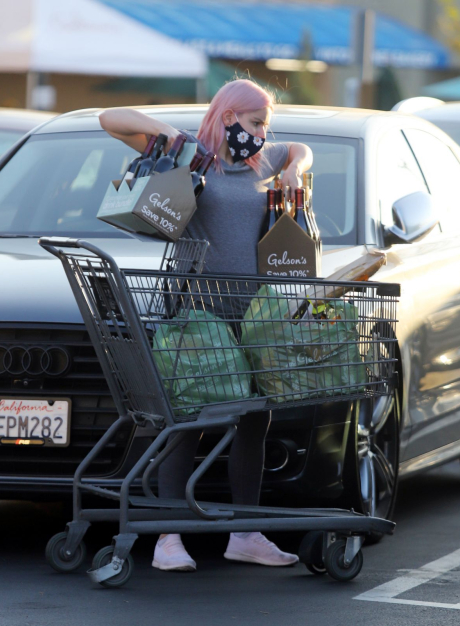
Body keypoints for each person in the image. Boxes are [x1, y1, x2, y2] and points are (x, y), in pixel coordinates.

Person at [99, 79, 313, 573]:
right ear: (229, 116)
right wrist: (165, 133)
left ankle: (246, 532)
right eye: (256, 122)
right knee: (189, 421)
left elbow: (300, 149)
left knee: (254, 421)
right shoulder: (191, 156)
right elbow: (109, 119)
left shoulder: (264, 159)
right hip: (199, 312)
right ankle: (167, 538)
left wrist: (295, 168)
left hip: (256, 314)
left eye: (266, 124)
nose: (263, 132)